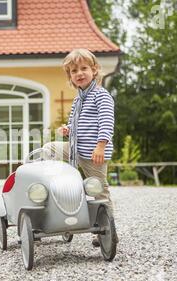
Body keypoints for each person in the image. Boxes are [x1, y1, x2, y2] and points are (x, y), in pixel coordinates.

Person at [42, 48, 117, 247]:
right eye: (74, 71)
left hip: (94, 153)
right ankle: (54, 185)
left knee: (99, 191)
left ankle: (107, 230)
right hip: (76, 149)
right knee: (49, 148)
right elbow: (76, 122)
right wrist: (68, 128)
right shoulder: (78, 99)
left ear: (94, 70)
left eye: (84, 68)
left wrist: (101, 146)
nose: (79, 74)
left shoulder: (101, 96)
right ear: (70, 77)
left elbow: (106, 122)